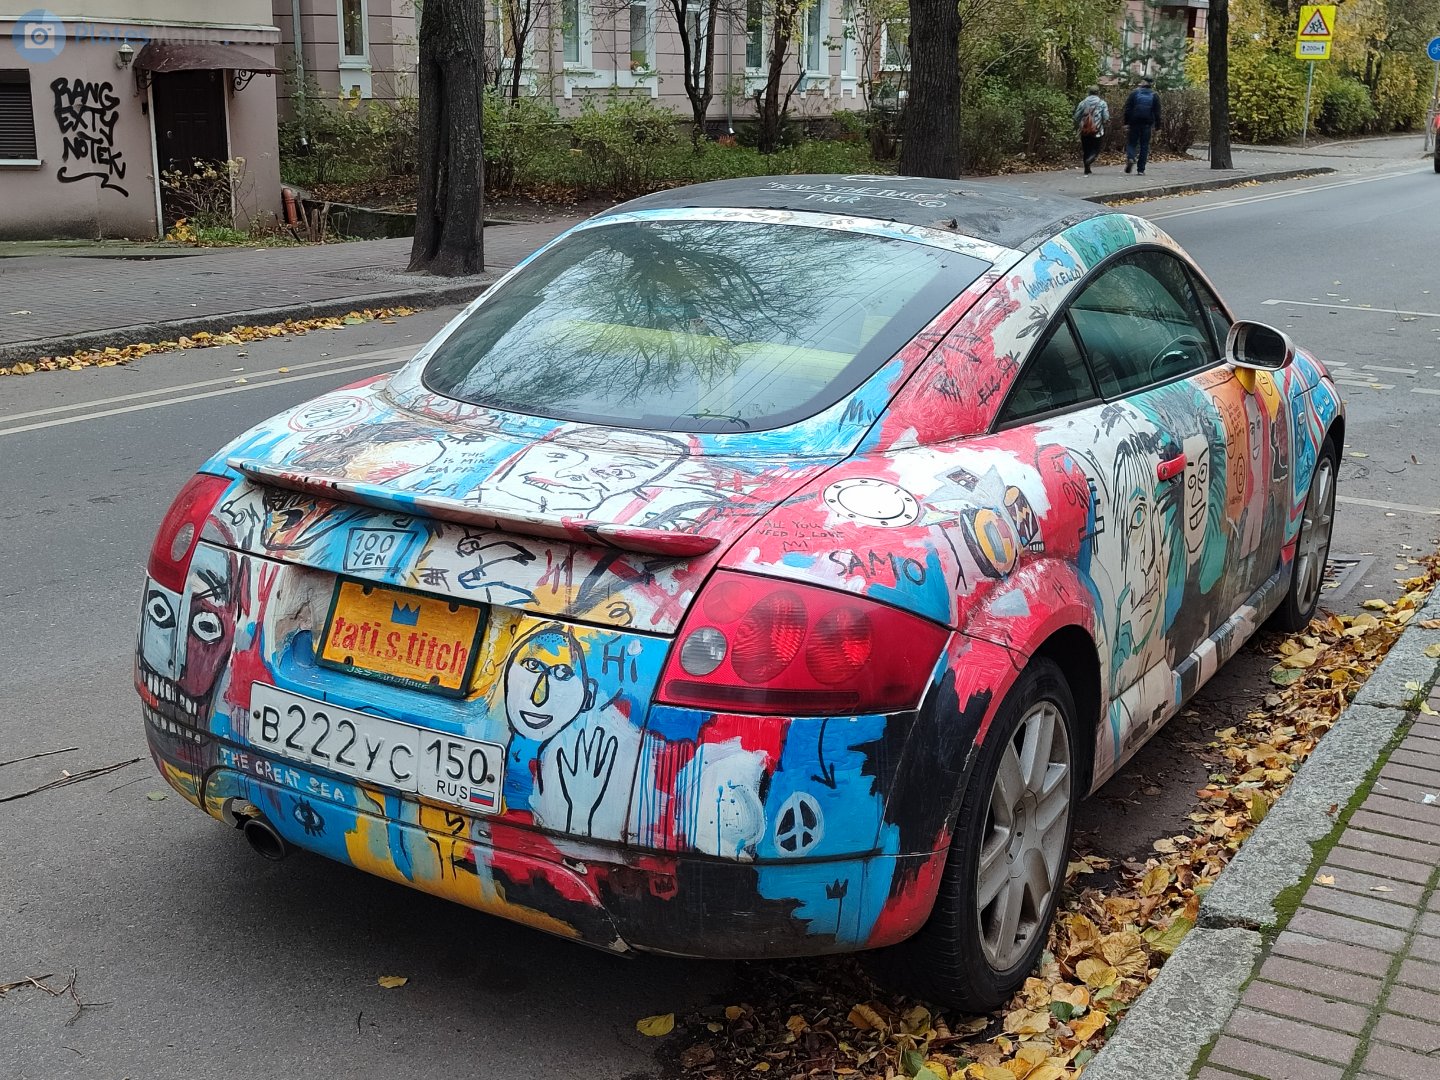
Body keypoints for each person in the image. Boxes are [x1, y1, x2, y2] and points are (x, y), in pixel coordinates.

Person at [1123, 76, 1162, 175]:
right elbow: (1157, 112)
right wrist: (1158, 127)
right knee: (1144, 146)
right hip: (1147, 124)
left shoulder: (1135, 93)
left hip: (1134, 122)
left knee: (1132, 143)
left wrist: (1126, 123)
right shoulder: (1155, 95)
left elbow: (1127, 109)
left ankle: (1131, 158)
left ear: (1143, 82)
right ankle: (1141, 170)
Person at [1073, 85, 1109, 175]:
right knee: (1096, 149)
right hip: (1097, 131)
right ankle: (1091, 158)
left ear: (1089, 92)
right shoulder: (1102, 103)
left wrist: (1082, 123)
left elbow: (1076, 116)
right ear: (1098, 93)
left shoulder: (1083, 103)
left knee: (1086, 149)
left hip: (1085, 131)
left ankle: (1087, 169)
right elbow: (1106, 117)